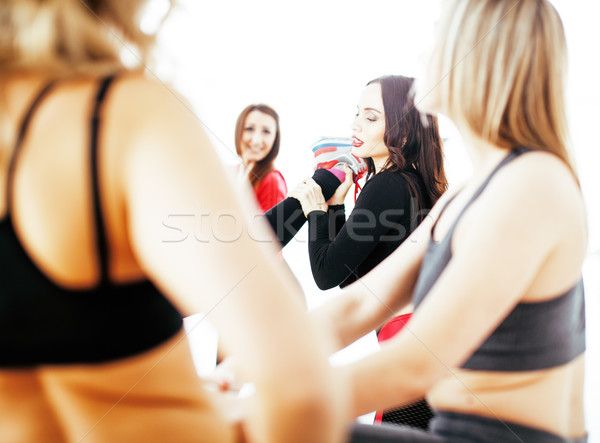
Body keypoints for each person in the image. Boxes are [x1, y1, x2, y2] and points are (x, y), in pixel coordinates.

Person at [0, 1, 345, 442]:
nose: (257, 138)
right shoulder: (129, 115)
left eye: (266, 131)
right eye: (251, 129)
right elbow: (302, 387)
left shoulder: (268, 179)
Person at [310, 0, 588, 441]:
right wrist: (243, 364)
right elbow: (360, 304)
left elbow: (417, 361)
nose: (424, 56)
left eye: (439, 37)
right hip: (445, 427)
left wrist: (259, 400)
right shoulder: (463, 191)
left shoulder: (534, 183)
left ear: (483, 57)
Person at [289, 75, 447, 429]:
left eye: (371, 117)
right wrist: (335, 209)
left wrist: (316, 211)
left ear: (403, 132)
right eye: (358, 113)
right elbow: (353, 278)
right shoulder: (416, 184)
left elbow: (326, 274)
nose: (355, 124)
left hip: (409, 352)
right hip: (425, 351)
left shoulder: (386, 185)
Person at [235, 104, 287, 212]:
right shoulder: (232, 172)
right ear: (239, 131)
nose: (256, 140)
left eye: (266, 131)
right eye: (249, 128)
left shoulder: (272, 180)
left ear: (275, 140)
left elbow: (272, 228)